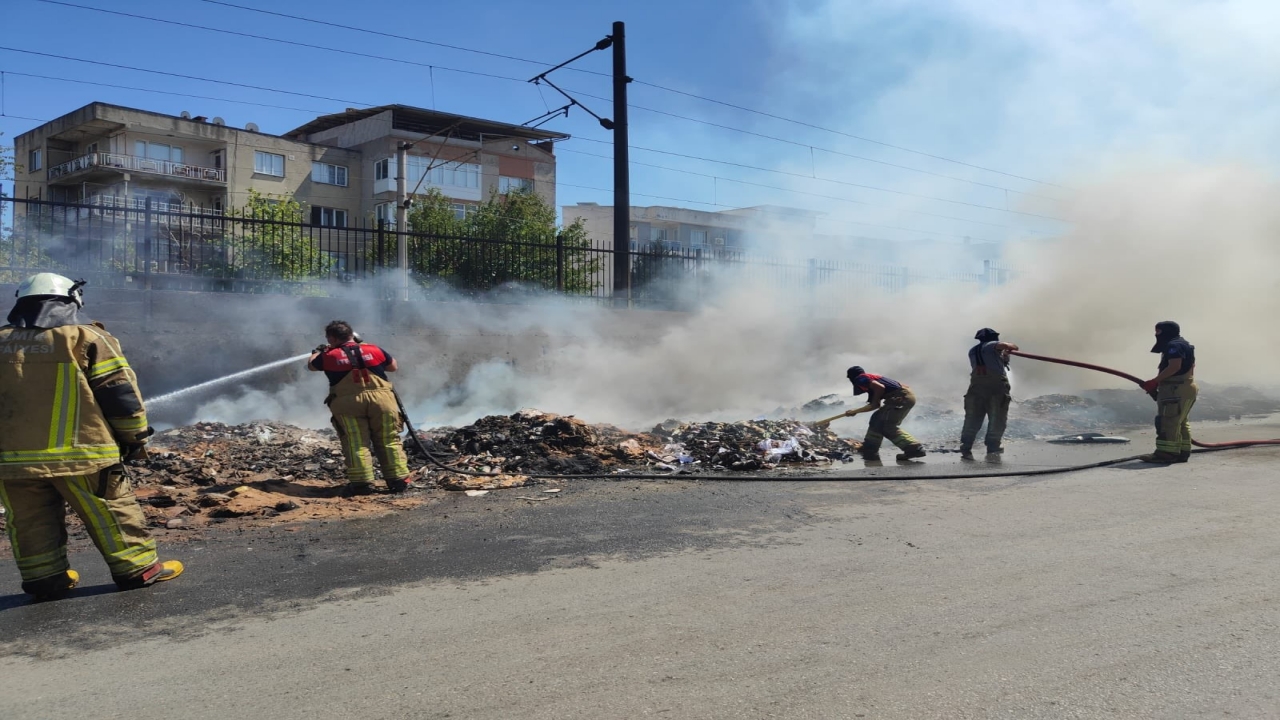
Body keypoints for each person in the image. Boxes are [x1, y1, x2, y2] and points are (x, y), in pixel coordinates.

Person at [0, 273, 183, 602]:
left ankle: (45, 580)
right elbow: (120, 394)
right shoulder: (85, 337)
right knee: (112, 510)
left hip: (12, 461)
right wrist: (135, 438)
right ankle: (139, 569)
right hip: (83, 453)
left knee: (29, 521)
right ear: (71, 300)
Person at [309, 321, 411, 495]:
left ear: (332, 338)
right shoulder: (373, 349)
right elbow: (393, 367)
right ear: (352, 335)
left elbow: (311, 366)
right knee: (388, 439)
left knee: (356, 442)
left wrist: (317, 352)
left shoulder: (329, 355)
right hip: (383, 402)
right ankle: (398, 480)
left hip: (349, 405)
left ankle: (362, 484)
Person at [1139, 321, 1197, 464]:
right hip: (1186, 388)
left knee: (1167, 422)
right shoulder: (1185, 345)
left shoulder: (1174, 346)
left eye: (1158, 332)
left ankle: (1166, 453)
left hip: (1175, 389)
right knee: (1180, 423)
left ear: (1166, 332)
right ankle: (1182, 452)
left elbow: (1174, 366)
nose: (1156, 335)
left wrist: (1155, 381)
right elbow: (1191, 367)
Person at [959, 328, 1020, 460]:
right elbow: (1011, 347)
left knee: (973, 418)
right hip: (995, 389)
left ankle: (966, 446)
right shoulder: (992, 345)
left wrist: (1003, 358)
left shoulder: (973, 351)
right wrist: (1009, 346)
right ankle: (993, 447)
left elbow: (992, 362)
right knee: (997, 418)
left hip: (976, 388)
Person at [845, 366, 926, 462]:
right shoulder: (870, 378)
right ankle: (870, 447)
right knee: (877, 418)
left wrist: (860, 409)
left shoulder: (860, 378)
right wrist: (855, 411)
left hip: (900, 397)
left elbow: (880, 388)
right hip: (902, 397)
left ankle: (914, 449)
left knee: (887, 425)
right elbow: (874, 405)